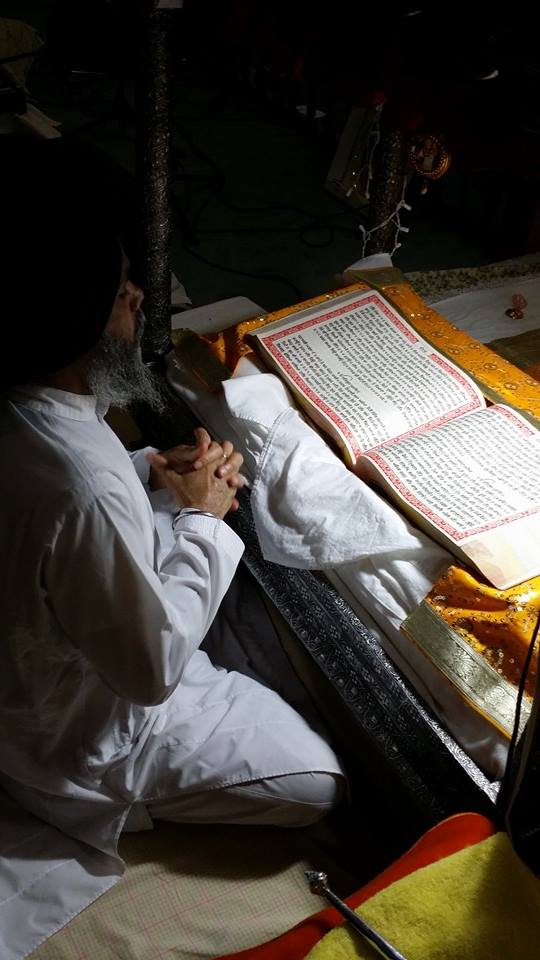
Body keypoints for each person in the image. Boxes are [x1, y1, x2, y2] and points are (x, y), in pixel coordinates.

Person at [0, 183, 344, 865]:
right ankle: (114, 797)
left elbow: (65, 504)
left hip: (46, 655)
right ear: (72, 316)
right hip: (75, 736)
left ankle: (218, 624)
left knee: (192, 541)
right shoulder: (80, 485)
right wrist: (202, 514)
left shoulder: (32, 400)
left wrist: (151, 468)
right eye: (119, 289)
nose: (136, 298)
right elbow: (149, 672)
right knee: (316, 782)